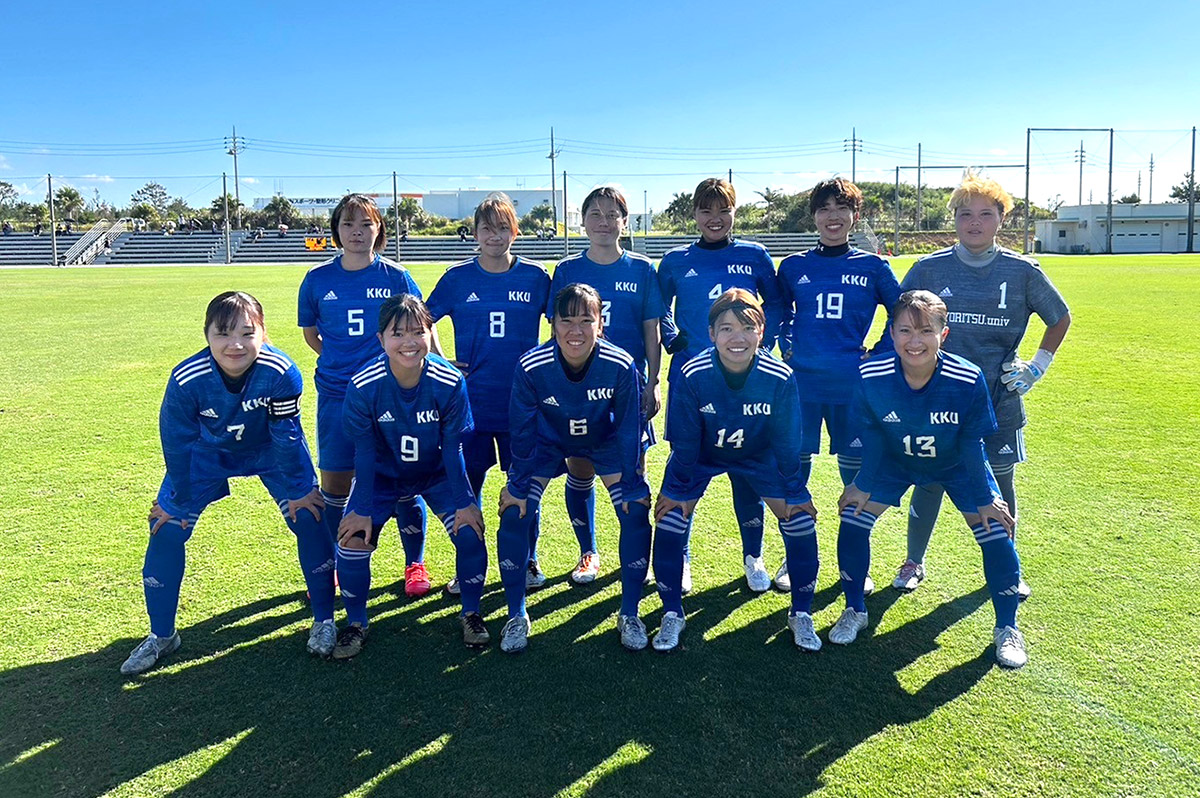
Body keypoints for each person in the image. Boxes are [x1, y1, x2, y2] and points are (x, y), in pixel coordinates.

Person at [121, 292, 335, 675]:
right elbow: (177, 441)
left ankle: (324, 620)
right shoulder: (187, 379)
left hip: (269, 451)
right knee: (166, 529)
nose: (234, 344)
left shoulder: (281, 371)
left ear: (263, 334)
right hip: (206, 456)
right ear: (206, 335)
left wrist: (302, 488)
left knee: (310, 517)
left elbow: (287, 436)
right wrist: (179, 498)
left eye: (247, 333)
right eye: (222, 333)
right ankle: (163, 635)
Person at [894, 173, 1070, 596]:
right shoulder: (928, 269)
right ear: (954, 218)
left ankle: (1009, 567)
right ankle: (913, 562)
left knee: (1000, 484)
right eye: (965, 213)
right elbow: (897, 323)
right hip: (934, 398)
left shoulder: (1022, 271)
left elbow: (1059, 317)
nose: (975, 222)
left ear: (1001, 220)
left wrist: (1037, 365)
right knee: (930, 481)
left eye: (986, 214)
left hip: (998, 399)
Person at [834, 289, 1027, 667]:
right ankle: (855, 609)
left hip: (956, 463)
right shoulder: (871, 375)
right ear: (891, 334)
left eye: (925, 331)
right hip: (894, 460)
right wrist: (864, 482)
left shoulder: (966, 377)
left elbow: (972, 442)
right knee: (853, 519)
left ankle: (1007, 626)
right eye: (905, 331)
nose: (914, 341)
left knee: (994, 527)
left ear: (944, 334)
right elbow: (873, 434)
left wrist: (985, 497)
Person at [651, 290, 818, 652]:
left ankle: (801, 614)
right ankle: (671, 613)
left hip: (759, 457)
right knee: (669, 520)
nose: (737, 337)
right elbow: (684, 441)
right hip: (702, 457)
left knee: (800, 520)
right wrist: (677, 488)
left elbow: (788, 442)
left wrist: (795, 490)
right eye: (726, 328)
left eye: (747, 327)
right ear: (711, 334)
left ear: (762, 332)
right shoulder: (693, 373)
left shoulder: (779, 376)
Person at [496, 283, 653, 653]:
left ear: (601, 324)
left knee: (634, 512)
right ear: (552, 324)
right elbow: (521, 428)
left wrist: (631, 480)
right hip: (548, 441)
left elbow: (630, 425)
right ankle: (516, 614)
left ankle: (630, 612)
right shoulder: (532, 365)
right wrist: (517, 483)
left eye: (587, 320)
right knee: (514, 512)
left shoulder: (620, 363)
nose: (576, 330)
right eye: (566, 321)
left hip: (604, 440)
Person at [333, 295, 489, 655]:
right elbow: (365, 452)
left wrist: (465, 502)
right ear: (380, 339)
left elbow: (453, 448)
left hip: (435, 473)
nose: (408, 342)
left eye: (417, 332)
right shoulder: (364, 384)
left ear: (429, 334)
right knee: (353, 541)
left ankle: (471, 613)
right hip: (383, 476)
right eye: (397, 333)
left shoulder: (449, 381)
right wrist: (359, 507)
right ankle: (356, 622)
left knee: (470, 533)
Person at [297, 194, 432, 599]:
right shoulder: (317, 280)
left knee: (405, 480)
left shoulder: (396, 277)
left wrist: (436, 364)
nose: (358, 232)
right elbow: (312, 336)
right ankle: (339, 561)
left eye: (367, 224)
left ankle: (415, 563)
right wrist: (346, 365)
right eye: (349, 224)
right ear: (336, 232)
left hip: (392, 396)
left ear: (379, 230)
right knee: (336, 481)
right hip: (337, 394)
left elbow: (418, 327)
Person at [657, 177, 785, 594]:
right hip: (692, 382)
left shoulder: (754, 254)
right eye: (706, 210)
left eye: (723, 210)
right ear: (693, 214)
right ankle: (683, 559)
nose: (715, 218)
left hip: (746, 381)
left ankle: (753, 556)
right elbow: (657, 308)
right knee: (686, 466)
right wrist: (673, 336)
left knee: (747, 471)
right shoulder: (675, 260)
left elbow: (778, 303)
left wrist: (767, 342)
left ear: (734, 212)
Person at [776, 178, 900, 594]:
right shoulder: (794, 266)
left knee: (857, 474)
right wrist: (785, 340)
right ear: (814, 217)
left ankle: (854, 560)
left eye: (841, 208)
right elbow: (777, 310)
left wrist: (880, 353)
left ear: (855, 216)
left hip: (853, 388)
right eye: (824, 208)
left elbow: (902, 315)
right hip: (802, 385)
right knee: (795, 470)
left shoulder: (874, 267)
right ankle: (794, 558)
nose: (833, 216)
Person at [425, 193, 551, 594]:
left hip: (522, 405)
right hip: (472, 405)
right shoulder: (458, 278)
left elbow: (564, 322)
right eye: (486, 228)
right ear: (474, 234)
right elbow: (422, 320)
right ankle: (470, 566)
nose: (494, 235)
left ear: (515, 231)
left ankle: (527, 560)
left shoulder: (535, 277)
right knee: (468, 487)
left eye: (502, 227)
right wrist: (443, 361)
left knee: (525, 486)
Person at [546, 186, 665, 584]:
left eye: (612, 214)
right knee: (580, 469)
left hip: (628, 390)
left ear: (624, 222)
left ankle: (637, 557)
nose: (603, 221)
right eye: (594, 213)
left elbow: (652, 330)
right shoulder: (566, 271)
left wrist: (654, 381)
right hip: (578, 391)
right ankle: (588, 552)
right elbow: (557, 330)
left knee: (633, 473)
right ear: (582, 222)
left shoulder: (643, 269)